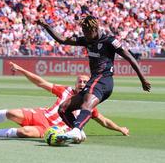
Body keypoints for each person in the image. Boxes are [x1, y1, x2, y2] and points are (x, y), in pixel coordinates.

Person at [36, 15, 151, 143]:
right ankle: (78, 131)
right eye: (83, 32)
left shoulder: (109, 41)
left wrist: (143, 79)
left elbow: (130, 57)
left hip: (104, 80)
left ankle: (76, 131)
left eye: (87, 32)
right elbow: (62, 40)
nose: (85, 35)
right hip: (94, 81)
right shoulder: (86, 40)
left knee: (86, 104)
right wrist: (46, 26)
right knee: (63, 108)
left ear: (95, 28)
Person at [0, 62, 129, 140]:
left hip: (48, 129)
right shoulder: (65, 90)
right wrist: (22, 69)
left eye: (85, 81)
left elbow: (103, 120)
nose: (82, 83)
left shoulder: (88, 103)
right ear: (75, 83)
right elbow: (41, 82)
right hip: (41, 114)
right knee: (11, 113)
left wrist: (120, 128)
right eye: (80, 81)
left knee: (24, 133)